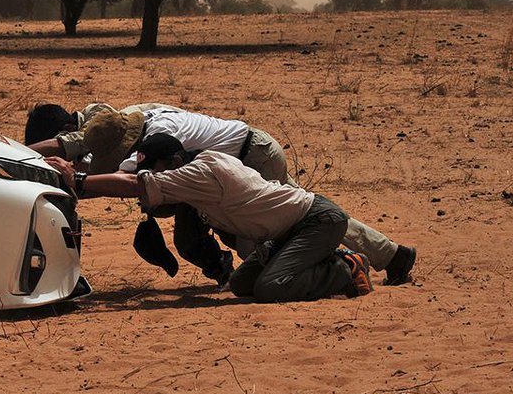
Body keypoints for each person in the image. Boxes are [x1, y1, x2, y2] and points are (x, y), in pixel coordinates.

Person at [26, 103, 416, 286]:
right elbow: (78, 148)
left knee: (286, 219)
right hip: (218, 174)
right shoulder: (132, 117)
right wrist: (18, 155)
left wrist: (74, 182)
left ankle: (373, 257)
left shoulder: (160, 143)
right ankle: (231, 275)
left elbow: (129, 184)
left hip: (253, 154)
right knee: (202, 237)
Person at [46, 133, 374, 303]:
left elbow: (135, 185)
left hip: (314, 221)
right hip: (287, 232)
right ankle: (322, 261)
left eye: (155, 170)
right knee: (242, 284)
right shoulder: (202, 168)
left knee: (270, 288)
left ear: (175, 162)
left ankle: (345, 267)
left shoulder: (202, 173)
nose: (153, 177)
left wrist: (77, 179)